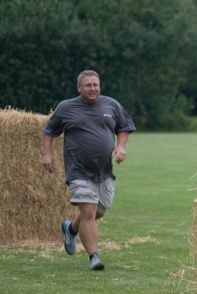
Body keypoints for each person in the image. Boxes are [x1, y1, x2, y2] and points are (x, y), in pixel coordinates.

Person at [41, 70, 135, 271]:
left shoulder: (111, 105)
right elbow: (49, 131)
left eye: (95, 84)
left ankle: (71, 228)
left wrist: (121, 146)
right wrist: (47, 155)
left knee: (98, 212)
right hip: (78, 170)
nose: (93, 88)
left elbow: (124, 126)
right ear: (79, 88)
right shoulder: (66, 108)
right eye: (88, 85)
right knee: (89, 211)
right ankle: (94, 256)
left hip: (104, 171)